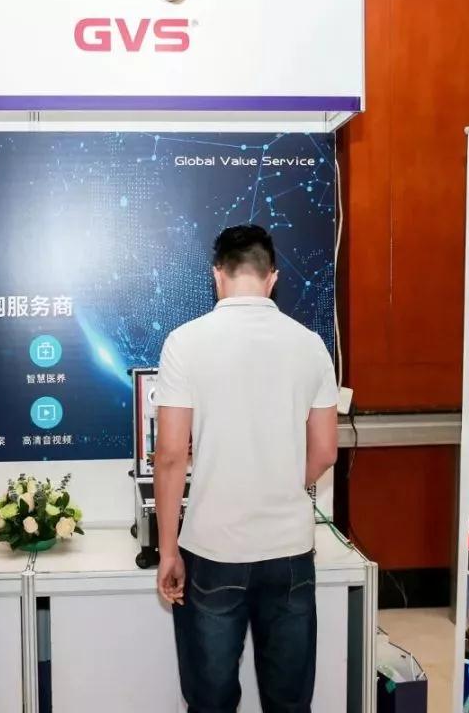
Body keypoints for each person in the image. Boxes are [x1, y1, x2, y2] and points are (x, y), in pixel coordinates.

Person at [152, 223, 339, 713]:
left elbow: (169, 455)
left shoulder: (185, 342)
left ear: (218, 274)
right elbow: (325, 452)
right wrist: (283, 483)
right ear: (272, 277)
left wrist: (168, 550)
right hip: (290, 550)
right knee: (289, 701)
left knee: (210, 700)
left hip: (213, 548)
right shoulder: (311, 345)